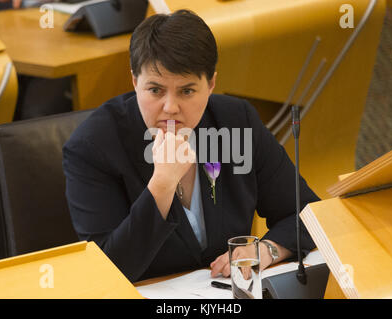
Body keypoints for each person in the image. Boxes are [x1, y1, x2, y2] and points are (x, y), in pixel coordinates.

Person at [62, 9, 319, 283]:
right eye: (155, 90)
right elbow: (107, 273)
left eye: (186, 91)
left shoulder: (235, 121)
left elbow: (308, 213)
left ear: (211, 84)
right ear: (135, 82)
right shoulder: (92, 147)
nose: (170, 108)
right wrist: (161, 185)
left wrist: (267, 250)